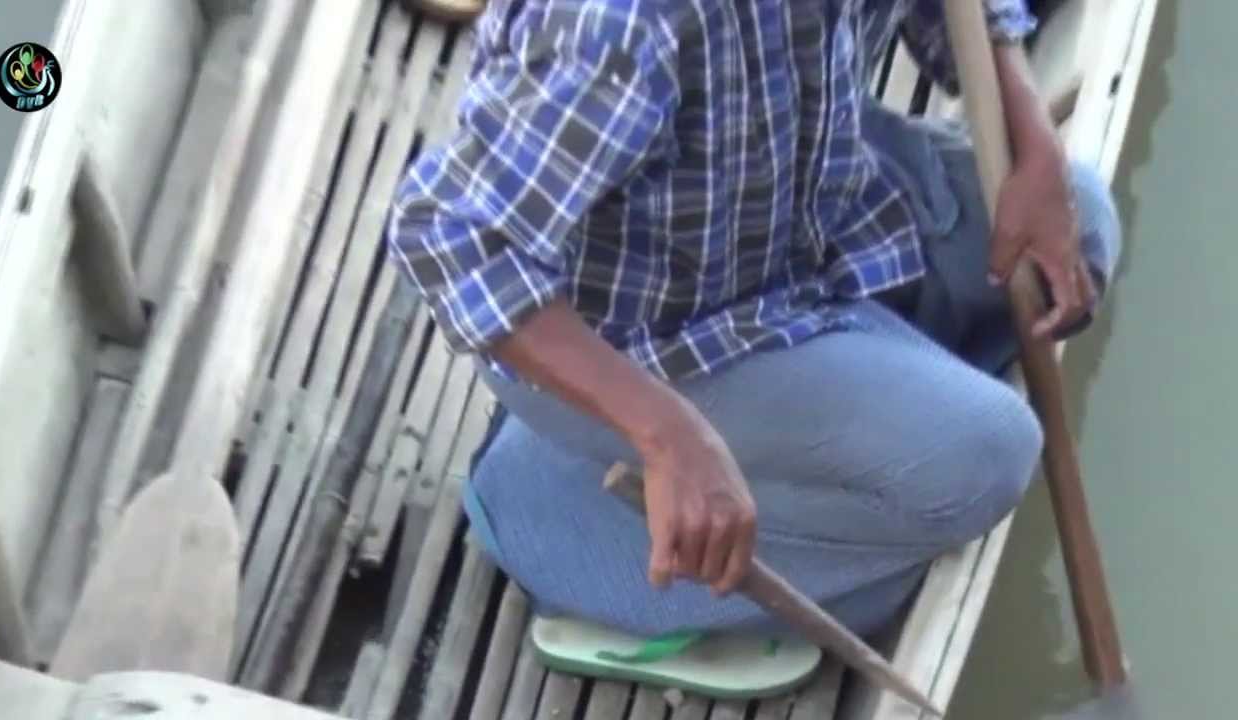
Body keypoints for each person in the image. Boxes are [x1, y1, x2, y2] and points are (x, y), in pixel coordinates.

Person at [386, 0, 1121, 647]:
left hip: (810, 210)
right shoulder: (620, 21)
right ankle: (550, 507)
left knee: (1082, 224)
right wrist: (666, 433)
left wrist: (1034, 143)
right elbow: (447, 237)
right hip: (651, 334)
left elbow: (964, 15)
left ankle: (852, 408)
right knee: (987, 455)